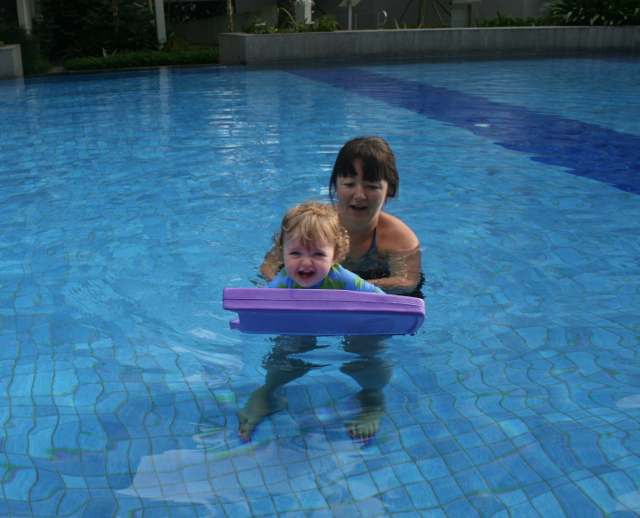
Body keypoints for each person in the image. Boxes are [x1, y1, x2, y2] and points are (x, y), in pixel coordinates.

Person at [262, 136, 422, 296]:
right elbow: (269, 266)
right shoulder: (312, 224)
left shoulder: (400, 239)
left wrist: (347, 288)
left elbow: (407, 283)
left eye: (372, 187)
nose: (359, 195)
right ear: (335, 185)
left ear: (389, 190)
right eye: (349, 184)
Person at [266, 201, 384, 293]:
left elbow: (379, 297)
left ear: (335, 256)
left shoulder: (341, 278)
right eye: (295, 253)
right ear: (282, 253)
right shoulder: (282, 283)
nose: (306, 263)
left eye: (318, 254)